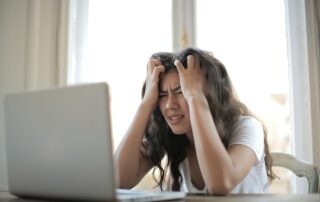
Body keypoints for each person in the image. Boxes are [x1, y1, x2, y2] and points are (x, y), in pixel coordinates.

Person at [115, 47, 275, 195]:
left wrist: (195, 97)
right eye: (163, 95)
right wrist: (146, 103)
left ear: (209, 95)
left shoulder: (248, 127)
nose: (170, 104)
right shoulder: (171, 136)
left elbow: (221, 184)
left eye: (181, 91)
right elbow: (118, 180)